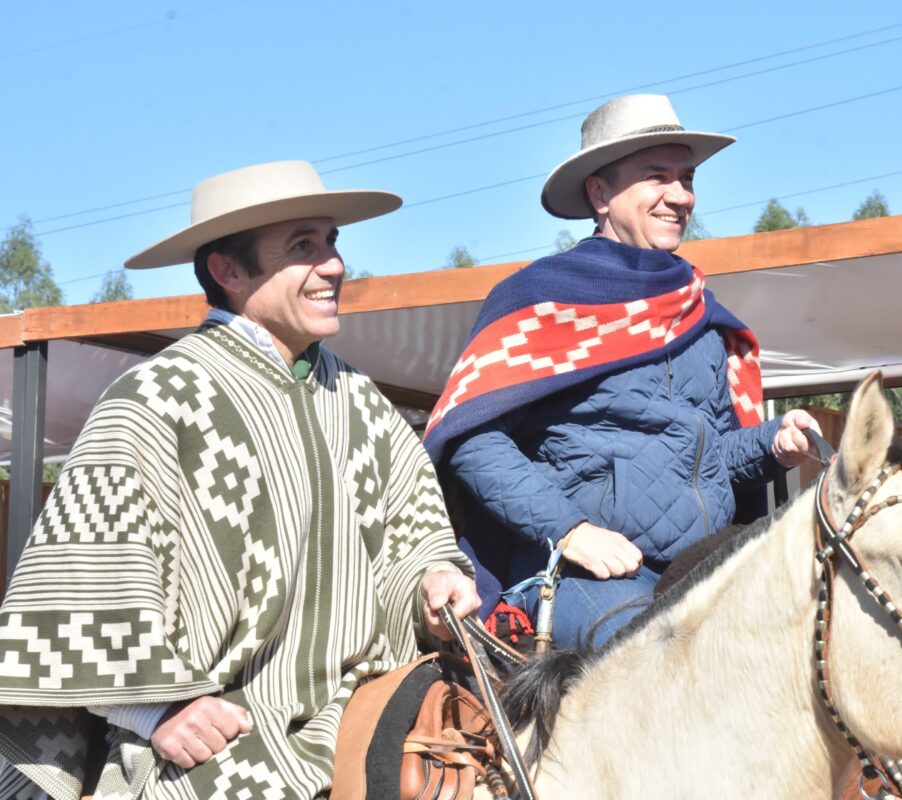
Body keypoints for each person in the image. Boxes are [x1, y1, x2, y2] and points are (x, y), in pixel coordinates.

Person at [0, 160, 479, 799]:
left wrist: (432, 581)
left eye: (332, 242)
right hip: (222, 730)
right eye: (302, 247)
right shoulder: (154, 399)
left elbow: (412, 537)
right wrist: (155, 712)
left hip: (361, 707)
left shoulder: (360, 400)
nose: (333, 265)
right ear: (228, 272)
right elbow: (77, 589)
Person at [424, 95, 818, 650]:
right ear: (600, 193)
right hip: (581, 578)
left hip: (707, 566)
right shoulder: (539, 302)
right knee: (656, 666)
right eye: (657, 176)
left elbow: (712, 455)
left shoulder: (698, 314)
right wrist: (570, 532)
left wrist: (773, 444)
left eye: (687, 178)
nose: (680, 196)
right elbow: (473, 442)